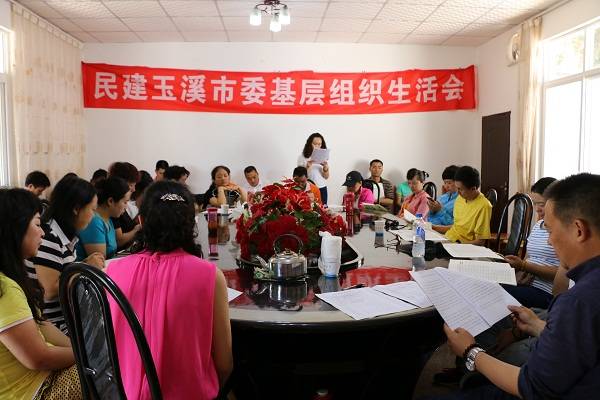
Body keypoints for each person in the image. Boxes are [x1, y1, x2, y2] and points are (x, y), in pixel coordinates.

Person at [434, 173, 600, 400]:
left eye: (551, 231)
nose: (549, 240)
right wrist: (537, 325)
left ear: (578, 230)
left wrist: (471, 352)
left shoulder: (579, 301)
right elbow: (582, 342)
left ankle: (473, 376)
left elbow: (531, 387)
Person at [106, 180, 233, 399]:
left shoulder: (112, 272)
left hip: (124, 394)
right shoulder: (210, 276)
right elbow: (224, 364)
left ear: (141, 221)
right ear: (191, 224)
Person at [0, 188, 82, 399]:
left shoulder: (12, 277)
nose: (43, 233)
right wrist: (85, 356)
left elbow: (41, 323)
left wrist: (81, 350)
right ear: (15, 229)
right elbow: (38, 358)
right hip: (30, 391)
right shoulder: (4, 288)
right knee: (107, 373)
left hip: (37, 379)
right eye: (37, 224)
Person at [28, 176, 104, 334]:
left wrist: (82, 264)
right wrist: (86, 267)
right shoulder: (48, 236)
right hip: (54, 325)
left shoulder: (65, 234)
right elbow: (49, 289)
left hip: (67, 318)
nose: (94, 216)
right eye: (92, 210)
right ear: (76, 209)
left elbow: (63, 271)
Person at [499, 177, 559, 309]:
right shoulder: (538, 225)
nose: (537, 209)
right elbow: (528, 257)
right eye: (534, 203)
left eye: (541, 204)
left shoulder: (562, 230)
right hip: (527, 283)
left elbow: (563, 274)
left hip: (546, 291)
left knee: (497, 292)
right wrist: (520, 270)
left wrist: (524, 266)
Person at [433, 166, 491, 245]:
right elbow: (456, 227)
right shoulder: (460, 198)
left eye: (460, 189)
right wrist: (433, 227)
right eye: (457, 188)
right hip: (448, 239)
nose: (458, 192)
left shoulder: (484, 206)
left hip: (461, 246)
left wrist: (457, 246)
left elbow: (480, 241)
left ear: (473, 189)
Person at [76, 177, 130, 261]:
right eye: (125, 202)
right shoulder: (94, 222)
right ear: (110, 201)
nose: (126, 207)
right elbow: (99, 262)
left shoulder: (108, 220)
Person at [108, 162, 141, 249]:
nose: (134, 189)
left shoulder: (121, 203)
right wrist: (136, 230)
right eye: (131, 185)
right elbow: (119, 240)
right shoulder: (115, 207)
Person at [297, 133, 330, 204]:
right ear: (309, 144)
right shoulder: (303, 157)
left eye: (319, 144)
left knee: (323, 209)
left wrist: (326, 169)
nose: (317, 146)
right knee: (309, 209)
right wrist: (308, 167)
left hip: (322, 188)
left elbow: (326, 177)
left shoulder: (323, 156)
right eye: (315, 144)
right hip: (309, 189)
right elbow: (300, 177)